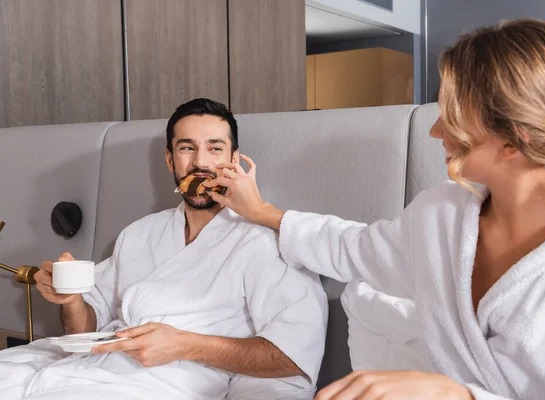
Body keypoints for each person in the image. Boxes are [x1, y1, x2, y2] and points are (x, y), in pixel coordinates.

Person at [204, 19, 545, 399]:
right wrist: (260, 211)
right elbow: (352, 248)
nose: (435, 130)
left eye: (454, 114)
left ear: (514, 140)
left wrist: (457, 394)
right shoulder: (443, 217)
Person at [0, 98, 327, 400]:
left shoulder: (270, 242)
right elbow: (83, 328)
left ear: (233, 158)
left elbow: (292, 355)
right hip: (73, 367)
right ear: (170, 159)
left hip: (151, 384)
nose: (200, 163)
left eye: (214, 149)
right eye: (187, 148)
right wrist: (71, 299)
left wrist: (187, 345)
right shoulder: (140, 234)